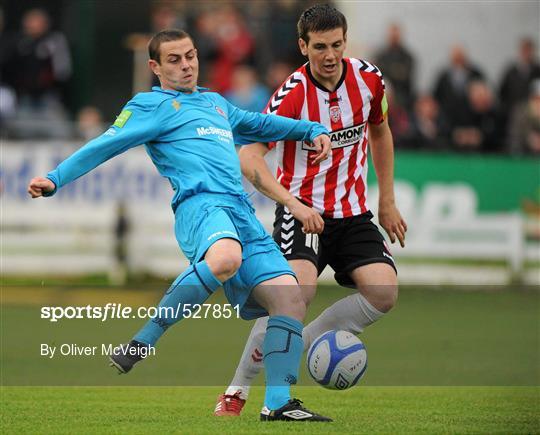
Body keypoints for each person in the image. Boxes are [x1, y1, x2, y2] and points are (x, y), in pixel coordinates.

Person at [27, 29, 333, 422]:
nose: (187, 65)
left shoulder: (216, 103)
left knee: (290, 297)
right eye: (175, 59)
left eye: (190, 56)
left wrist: (311, 129)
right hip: (200, 206)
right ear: (154, 66)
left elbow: (262, 124)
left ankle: (278, 403)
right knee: (225, 258)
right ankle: (143, 342)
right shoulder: (150, 106)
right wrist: (55, 178)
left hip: (241, 209)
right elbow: (104, 144)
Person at [215, 4, 407, 416]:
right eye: (319, 47)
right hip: (303, 213)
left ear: (345, 41)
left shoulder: (370, 79)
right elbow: (249, 156)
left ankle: (299, 344)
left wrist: (386, 200)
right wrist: (292, 204)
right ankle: (238, 392)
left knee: (384, 292)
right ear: (303, 46)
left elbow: (380, 130)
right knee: (293, 294)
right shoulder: (292, 95)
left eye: (337, 44)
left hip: (353, 213)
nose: (330, 55)